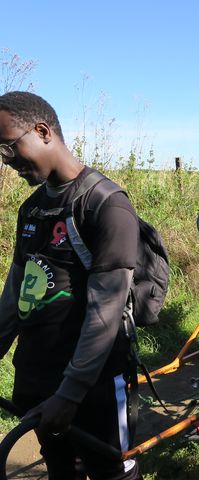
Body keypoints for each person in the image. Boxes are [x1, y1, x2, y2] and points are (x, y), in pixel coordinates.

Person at [0, 91, 142, 478]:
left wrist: (70, 393)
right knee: (63, 471)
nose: (5, 162)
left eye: (9, 149)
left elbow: (106, 310)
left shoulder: (105, 205)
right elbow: (16, 291)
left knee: (112, 472)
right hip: (35, 376)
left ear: (43, 131)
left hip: (89, 387)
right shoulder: (31, 208)